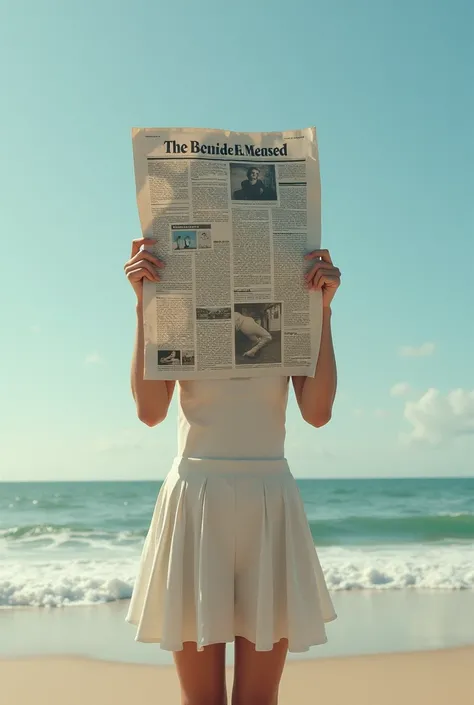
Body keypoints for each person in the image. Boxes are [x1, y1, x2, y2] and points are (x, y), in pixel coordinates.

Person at [124, 238, 341, 705]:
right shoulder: (179, 309)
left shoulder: (285, 304)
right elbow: (150, 410)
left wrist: (322, 310)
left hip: (269, 502)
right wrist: (145, 306)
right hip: (195, 502)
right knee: (201, 699)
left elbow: (318, 411)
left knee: (258, 699)